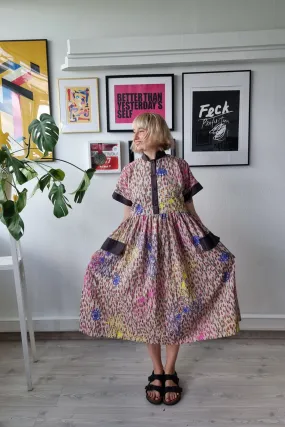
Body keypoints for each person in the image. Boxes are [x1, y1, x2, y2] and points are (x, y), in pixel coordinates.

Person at [80, 112, 241, 406]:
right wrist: (108, 252)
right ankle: (156, 370)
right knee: (147, 308)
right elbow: (127, 217)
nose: (135, 137)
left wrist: (208, 242)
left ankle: (170, 370)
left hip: (177, 243)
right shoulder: (129, 171)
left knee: (175, 305)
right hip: (142, 247)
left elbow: (190, 209)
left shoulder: (180, 167)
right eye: (133, 132)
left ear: (154, 132)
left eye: (140, 131)